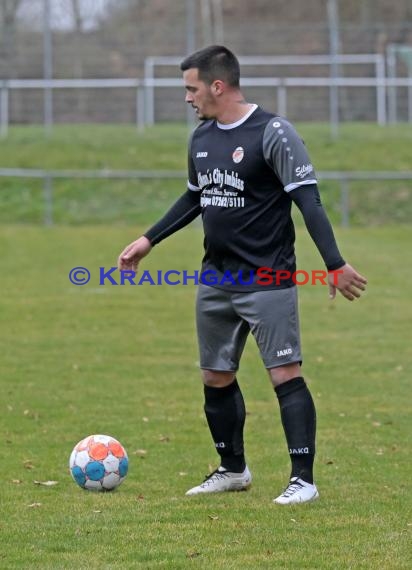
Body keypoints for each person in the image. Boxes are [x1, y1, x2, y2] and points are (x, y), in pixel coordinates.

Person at [118, 45, 367, 504]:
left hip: (268, 278)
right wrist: (149, 239)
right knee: (215, 376)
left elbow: (307, 200)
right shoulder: (202, 138)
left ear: (218, 85)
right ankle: (233, 470)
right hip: (216, 279)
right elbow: (195, 197)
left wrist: (334, 262)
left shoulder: (274, 133)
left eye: (191, 89)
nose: (188, 98)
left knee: (285, 374)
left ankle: (303, 480)